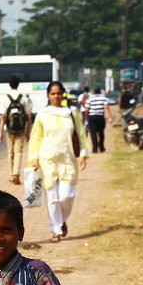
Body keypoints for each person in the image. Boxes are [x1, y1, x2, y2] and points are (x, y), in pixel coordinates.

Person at [28, 81, 89, 243]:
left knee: (67, 196)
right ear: (48, 95)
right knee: (52, 198)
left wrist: (83, 154)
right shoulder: (42, 114)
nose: (56, 96)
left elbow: (81, 135)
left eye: (58, 93)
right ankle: (56, 230)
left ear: (63, 94)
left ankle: (61, 220)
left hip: (67, 160)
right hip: (47, 160)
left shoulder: (71, 113)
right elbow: (36, 138)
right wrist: (34, 158)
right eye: (52, 93)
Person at [0, 75, 32, 185]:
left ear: (9, 84)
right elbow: (28, 116)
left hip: (9, 129)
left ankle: (11, 175)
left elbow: (3, 116)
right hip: (21, 129)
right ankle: (16, 173)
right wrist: (27, 131)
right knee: (18, 152)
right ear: (18, 84)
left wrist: (0, 132)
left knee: (10, 152)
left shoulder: (5, 98)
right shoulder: (23, 98)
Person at [85, 86, 113, 153]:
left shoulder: (90, 98)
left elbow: (87, 109)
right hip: (100, 117)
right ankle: (101, 147)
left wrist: (86, 117)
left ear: (94, 91)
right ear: (100, 91)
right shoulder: (103, 98)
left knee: (93, 133)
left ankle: (94, 149)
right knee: (101, 132)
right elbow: (106, 107)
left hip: (92, 117)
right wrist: (110, 117)